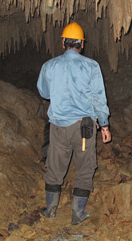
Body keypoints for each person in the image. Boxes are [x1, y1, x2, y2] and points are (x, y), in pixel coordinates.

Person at [37, 22, 111, 225]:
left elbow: (44, 92)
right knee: (85, 168)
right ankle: (77, 213)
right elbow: (98, 98)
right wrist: (104, 125)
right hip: (84, 127)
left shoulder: (49, 66)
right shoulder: (91, 66)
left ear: (63, 43)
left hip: (58, 126)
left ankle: (50, 210)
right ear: (81, 44)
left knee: (54, 167)